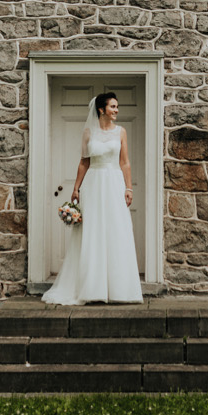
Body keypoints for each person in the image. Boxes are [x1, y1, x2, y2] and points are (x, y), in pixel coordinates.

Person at [41, 91, 143, 305]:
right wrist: (76, 188)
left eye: (117, 107)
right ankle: (91, 288)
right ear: (101, 109)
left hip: (114, 183)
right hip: (94, 184)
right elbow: (84, 162)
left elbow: (125, 162)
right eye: (113, 106)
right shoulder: (88, 133)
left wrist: (128, 188)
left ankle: (120, 289)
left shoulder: (121, 132)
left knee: (116, 230)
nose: (116, 110)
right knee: (93, 232)